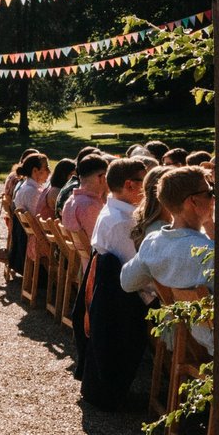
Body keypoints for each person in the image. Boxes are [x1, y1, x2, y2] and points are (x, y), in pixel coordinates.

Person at [80, 157, 154, 406]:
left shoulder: (112, 210)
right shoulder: (124, 221)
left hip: (111, 292)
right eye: (145, 183)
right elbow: (136, 272)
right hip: (122, 299)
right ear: (131, 186)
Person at [121, 165, 215, 352]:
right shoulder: (206, 252)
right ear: (193, 202)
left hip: (181, 336)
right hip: (212, 343)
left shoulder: (154, 243)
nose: (214, 198)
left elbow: (127, 282)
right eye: (210, 192)